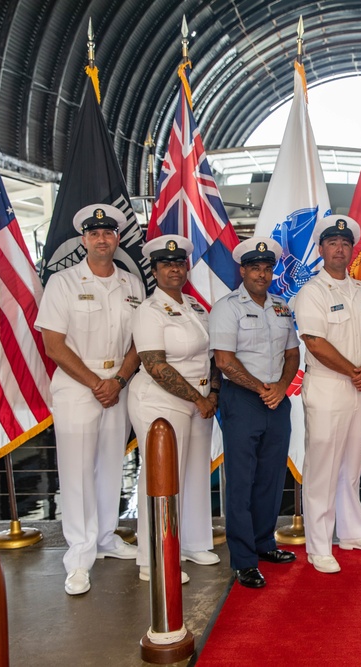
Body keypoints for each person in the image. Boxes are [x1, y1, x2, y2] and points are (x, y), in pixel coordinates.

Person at [35, 204, 144, 596]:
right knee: (77, 470)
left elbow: (140, 342)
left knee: (111, 464)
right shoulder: (63, 283)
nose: (102, 239)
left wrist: (116, 380)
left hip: (117, 383)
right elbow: (53, 344)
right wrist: (98, 383)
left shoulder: (132, 284)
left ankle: (105, 537)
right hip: (78, 385)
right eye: (95, 234)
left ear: (117, 238)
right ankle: (79, 555)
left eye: (109, 233)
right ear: (84, 240)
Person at [292, 215, 361, 574]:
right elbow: (314, 342)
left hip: (359, 386)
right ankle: (319, 545)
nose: (339, 249)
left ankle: (352, 532)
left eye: (345, 244)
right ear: (321, 249)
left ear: (352, 249)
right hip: (328, 387)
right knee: (321, 467)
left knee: (351, 465)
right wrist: (355, 370)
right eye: (333, 243)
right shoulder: (312, 292)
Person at [209, 237, 300, 589]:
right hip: (243, 400)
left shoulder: (281, 306)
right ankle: (244, 560)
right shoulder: (227, 307)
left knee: (272, 478)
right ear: (242, 270)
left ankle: (265, 543)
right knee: (242, 481)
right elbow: (224, 361)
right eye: (254, 268)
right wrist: (261, 388)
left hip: (276, 399)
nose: (262, 274)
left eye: (267, 268)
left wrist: (281, 387)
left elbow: (292, 354)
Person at [128, 234, 220, 584]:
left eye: (179, 264)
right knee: (161, 476)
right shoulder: (148, 312)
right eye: (166, 264)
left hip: (199, 401)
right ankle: (153, 558)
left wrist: (211, 393)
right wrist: (199, 399)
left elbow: (211, 358)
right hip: (160, 401)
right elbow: (155, 364)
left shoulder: (195, 308)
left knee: (195, 472)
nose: (174, 269)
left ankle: (194, 543)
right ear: (154, 271)